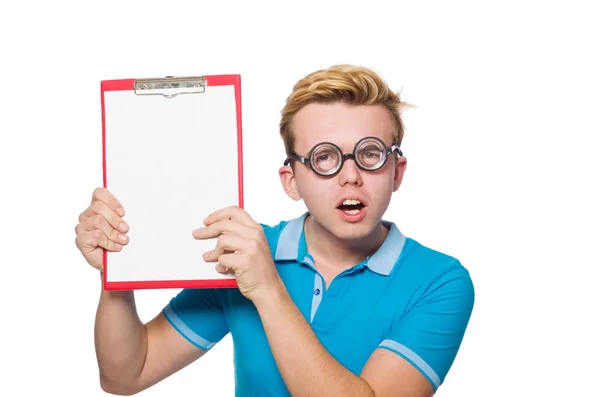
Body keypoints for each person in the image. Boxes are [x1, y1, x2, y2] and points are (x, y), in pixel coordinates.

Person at [75, 64, 475, 396]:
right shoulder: (244, 253)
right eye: (324, 157)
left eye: (370, 154)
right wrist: (117, 273)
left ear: (396, 171)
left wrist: (268, 288)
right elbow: (126, 375)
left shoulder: (439, 282)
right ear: (292, 181)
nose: (350, 176)